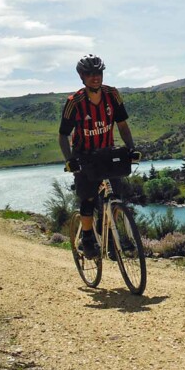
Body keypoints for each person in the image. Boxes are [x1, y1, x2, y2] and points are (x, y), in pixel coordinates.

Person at [58, 54, 137, 259]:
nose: (96, 77)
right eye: (90, 74)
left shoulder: (112, 95)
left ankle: (112, 241)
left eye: (99, 73)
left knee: (114, 196)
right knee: (89, 198)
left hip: (107, 152)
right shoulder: (74, 102)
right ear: (82, 77)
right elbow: (63, 135)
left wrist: (131, 148)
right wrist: (70, 160)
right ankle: (86, 238)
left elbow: (122, 126)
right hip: (83, 156)